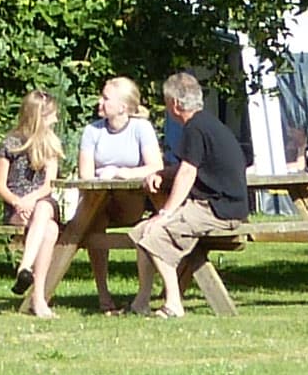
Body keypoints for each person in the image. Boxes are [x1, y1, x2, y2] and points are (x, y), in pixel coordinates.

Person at [132, 69, 250, 317]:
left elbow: (188, 173)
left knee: (156, 232)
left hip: (221, 210)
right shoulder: (206, 124)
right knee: (141, 231)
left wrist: (165, 212)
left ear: (174, 104)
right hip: (217, 206)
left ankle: (173, 303)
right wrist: (163, 174)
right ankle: (140, 303)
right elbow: (190, 164)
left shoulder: (195, 128)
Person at [44, 77, 161, 312]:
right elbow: (86, 174)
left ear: (123, 106)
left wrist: (122, 173)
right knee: (93, 220)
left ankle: (144, 294)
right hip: (97, 201)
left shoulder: (141, 128)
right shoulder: (92, 131)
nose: (100, 101)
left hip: (132, 201)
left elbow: (155, 166)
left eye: (106, 98)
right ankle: (102, 295)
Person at [0, 92, 66, 317]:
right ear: (38, 117)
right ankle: (39, 298)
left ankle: (24, 267)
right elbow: (0, 185)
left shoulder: (51, 144)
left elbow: (47, 185)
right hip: (18, 208)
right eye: (51, 115)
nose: (55, 120)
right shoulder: (11, 143)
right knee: (50, 230)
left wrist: (30, 200)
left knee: (43, 209)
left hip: (41, 202)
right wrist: (17, 202)